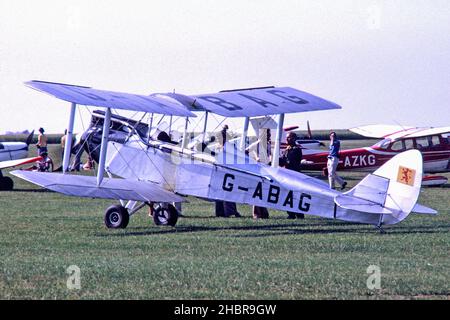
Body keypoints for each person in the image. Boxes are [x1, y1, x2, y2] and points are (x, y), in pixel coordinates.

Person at [215, 124, 241, 218]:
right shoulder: (220, 147)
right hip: (221, 171)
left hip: (227, 172)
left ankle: (230, 212)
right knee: (220, 193)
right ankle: (220, 212)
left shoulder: (228, 147)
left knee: (227, 193)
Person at [246, 129, 271, 219]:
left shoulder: (268, 144)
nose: (269, 136)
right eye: (267, 134)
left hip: (266, 170)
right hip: (257, 170)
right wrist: (253, 160)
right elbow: (246, 151)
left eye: (269, 134)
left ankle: (264, 212)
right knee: (257, 191)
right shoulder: (257, 144)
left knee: (263, 192)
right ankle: (256, 213)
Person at [280, 132, 304, 219]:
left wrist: (283, 161)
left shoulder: (296, 149)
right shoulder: (287, 149)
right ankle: (291, 213)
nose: (287, 139)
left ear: (294, 139)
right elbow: (283, 161)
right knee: (288, 195)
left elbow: (290, 161)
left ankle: (299, 214)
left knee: (295, 195)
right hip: (287, 175)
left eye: (288, 138)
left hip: (294, 175)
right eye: (286, 138)